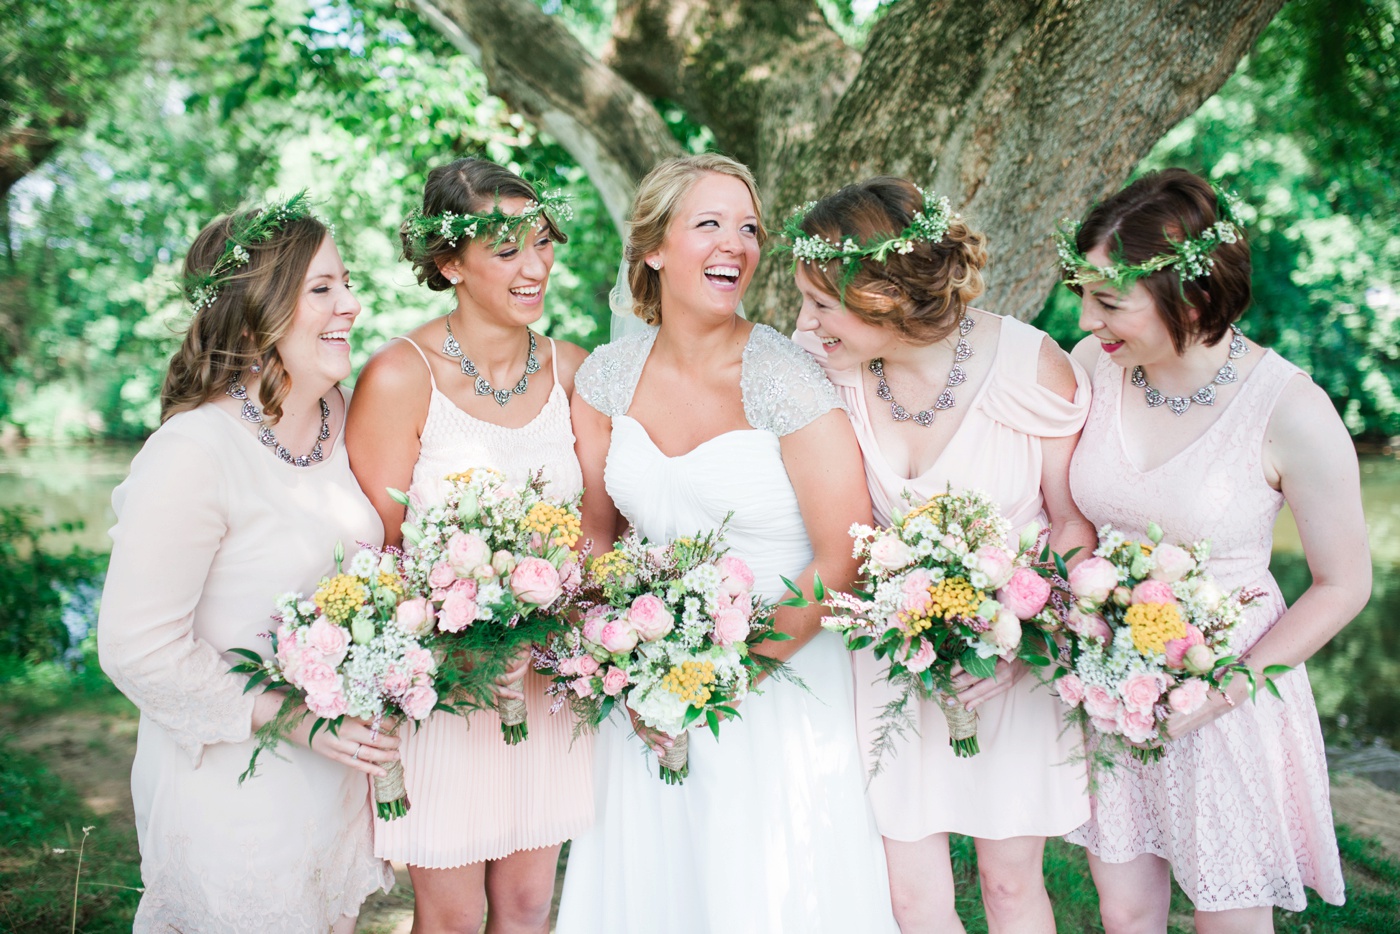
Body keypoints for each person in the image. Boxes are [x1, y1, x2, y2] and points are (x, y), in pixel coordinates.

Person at [554, 153, 897, 933]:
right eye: (707, 224)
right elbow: (598, 537)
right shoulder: (605, 378)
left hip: (778, 687)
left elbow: (846, 553)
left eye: (747, 229)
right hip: (645, 693)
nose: (735, 245)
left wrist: (719, 678)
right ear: (652, 248)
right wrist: (629, 661)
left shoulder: (787, 377)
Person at [1060, 168, 1370, 933]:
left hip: (1228, 687)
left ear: (1191, 299)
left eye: (1108, 300)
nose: (1087, 315)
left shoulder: (1291, 411)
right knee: (1125, 913)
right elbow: (1064, 511)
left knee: (1228, 918)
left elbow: (1342, 584)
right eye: (1083, 293)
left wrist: (1221, 692)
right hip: (1110, 679)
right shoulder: (1093, 364)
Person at [790, 177, 1095, 933]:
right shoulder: (823, 369)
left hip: (1015, 666)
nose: (805, 322)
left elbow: (1073, 528)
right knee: (911, 899)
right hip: (889, 666)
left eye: (821, 305)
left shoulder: (1032, 369)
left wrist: (1023, 641)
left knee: (1011, 885)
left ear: (885, 297)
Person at [98, 195, 397, 932]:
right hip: (232, 793)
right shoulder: (192, 453)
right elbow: (137, 650)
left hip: (330, 786)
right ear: (257, 310)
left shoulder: (345, 417)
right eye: (322, 288)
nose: (351, 305)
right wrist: (297, 720)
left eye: (347, 283)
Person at [345, 158, 591, 934]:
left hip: (546, 687)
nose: (536, 266)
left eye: (543, 243)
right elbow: (377, 551)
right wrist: (461, 642)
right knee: (449, 919)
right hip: (445, 693)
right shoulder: (397, 375)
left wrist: (549, 630)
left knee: (525, 911)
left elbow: (601, 533)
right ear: (450, 263)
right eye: (508, 249)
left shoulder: (575, 372)